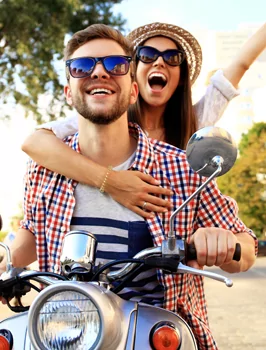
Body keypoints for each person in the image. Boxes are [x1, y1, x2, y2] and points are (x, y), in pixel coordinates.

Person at [0, 24, 257, 349]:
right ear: (68, 91)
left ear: (132, 89)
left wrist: (221, 241)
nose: (99, 72)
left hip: (155, 334)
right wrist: (6, 258)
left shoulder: (182, 165)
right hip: (63, 333)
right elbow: (32, 234)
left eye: (115, 65)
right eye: (81, 67)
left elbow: (245, 248)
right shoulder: (45, 167)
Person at [22, 22, 266, 218]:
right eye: (148, 55)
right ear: (132, 75)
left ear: (181, 78)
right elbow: (35, 143)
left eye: (173, 58)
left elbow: (241, 63)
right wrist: (112, 182)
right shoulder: (108, 117)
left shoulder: (196, 121)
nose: (159, 61)